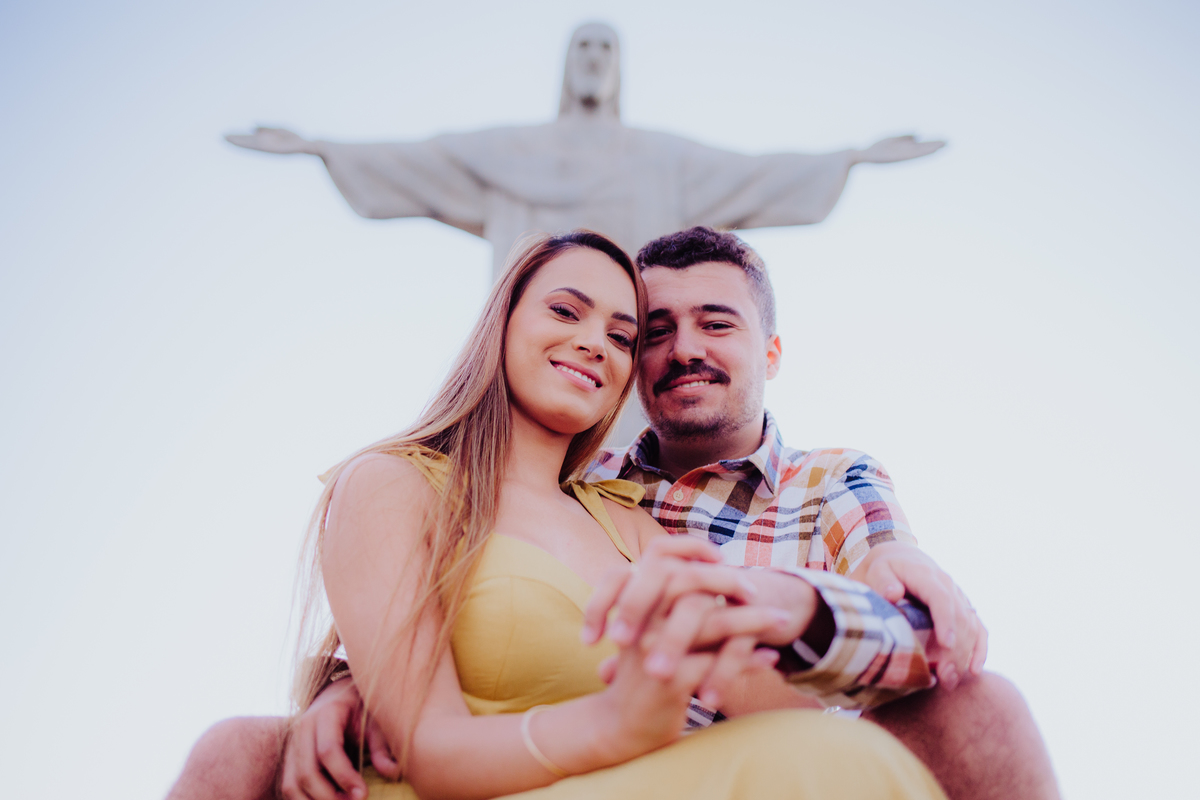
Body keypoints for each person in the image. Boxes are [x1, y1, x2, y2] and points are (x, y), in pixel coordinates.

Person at [168, 230, 948, 800]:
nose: (593, 344)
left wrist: (793, 609)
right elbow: (422, 715)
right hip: (482, 781)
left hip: (634, 777)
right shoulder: (393, 484)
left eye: (618, 334)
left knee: (828, 758)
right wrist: (350, 687)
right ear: (504, 320)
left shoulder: (632, 517)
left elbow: (766, 693)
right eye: (567, 311)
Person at [226, 22, 944, 279]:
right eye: (583, 47)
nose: (594, 58)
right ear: (566, 63)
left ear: (620, 66)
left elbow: (758, 174)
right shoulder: (512, 149)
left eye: (606, 48)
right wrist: (316, 146)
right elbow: (418, 162)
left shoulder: (662, 157)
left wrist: (850, 158)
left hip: (630, 351)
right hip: (530, 344)